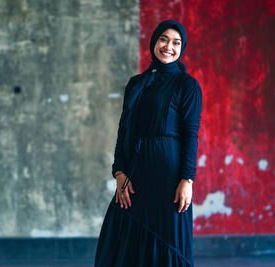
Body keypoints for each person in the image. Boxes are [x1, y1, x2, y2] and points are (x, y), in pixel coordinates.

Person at [94, 20, 203, 267]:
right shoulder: (136, 83)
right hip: (135, 174)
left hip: (169, 179)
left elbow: (191, 134)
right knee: (121, 245)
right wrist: (119, 172)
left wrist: (187, 180)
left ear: (182, 48)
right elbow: (124, 131)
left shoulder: (187, 86)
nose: (169, 47)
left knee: (167, 246)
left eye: (176, 43)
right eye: (164, 39)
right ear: (154, 41)